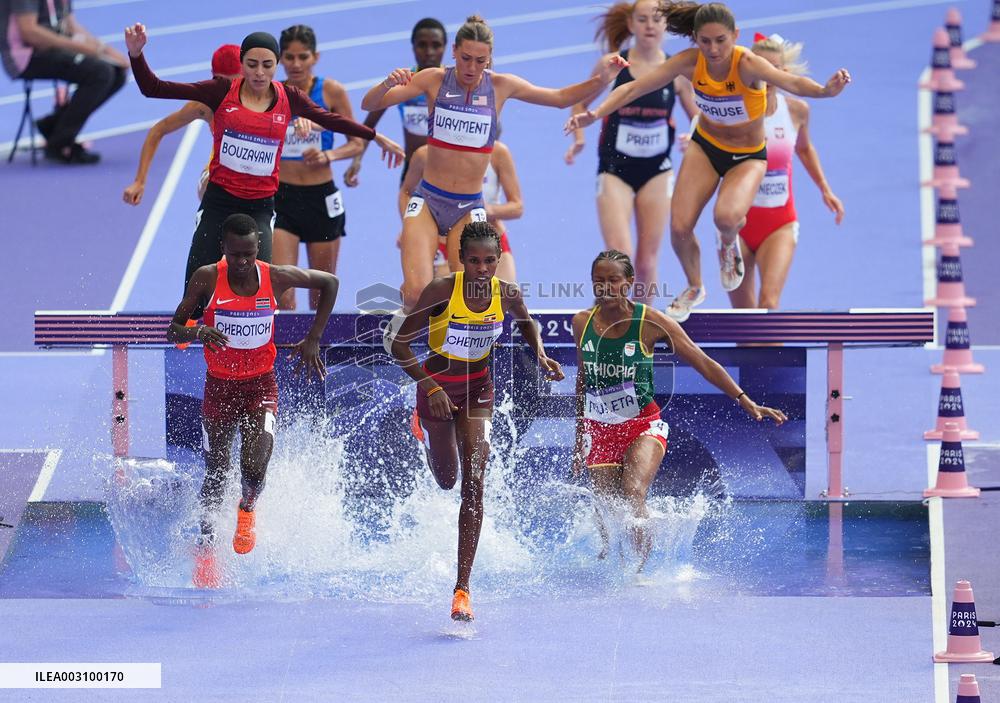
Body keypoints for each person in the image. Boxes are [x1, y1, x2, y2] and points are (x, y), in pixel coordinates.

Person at [566, 1, 850, 322]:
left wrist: (826, 91)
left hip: (747, 155)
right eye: (705, 41)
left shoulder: (749, 64)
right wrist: (595, 113)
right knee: (679, 227)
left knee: (726, 219)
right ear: (695, 39)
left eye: (721, 41)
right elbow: (634, 86)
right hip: (706, 147)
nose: (713, 49)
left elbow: (794, 84)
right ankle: (694, 286)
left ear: (735, 36)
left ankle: (729, 246)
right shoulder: (689, 63)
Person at [124, 23, 403, 315]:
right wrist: (136, 54)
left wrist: (376, 136)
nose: (259, 72)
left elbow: (333, 120)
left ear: (276, 65)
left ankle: (254, 353)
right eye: (252, 64)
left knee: (261, 293)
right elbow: (153, 88)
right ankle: (192, 344)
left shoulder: (290, 97)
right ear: (242, 64)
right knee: (195, 289)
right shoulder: (220, 91)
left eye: (267, 65)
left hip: (260, 207)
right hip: (218, 200)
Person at [362, 14, 628, 312]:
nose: (472, 68)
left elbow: (560, 98)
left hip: (468, 207)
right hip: (427, 201)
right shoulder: (433, 79)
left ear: (489, 59)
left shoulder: (501, 86)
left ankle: (456, 356)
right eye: (465, 58)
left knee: (467, 297)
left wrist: (602, 79)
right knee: (415, 295)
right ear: (453, 51)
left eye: (480, 61)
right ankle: (403, 319)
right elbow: (369, 104)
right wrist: (387, 82)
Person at [389, 221, 564, 621]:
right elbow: (400, 345)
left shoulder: (508, 293)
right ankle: (427, 431)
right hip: (435, 389)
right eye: (474, 261)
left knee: (474, 482)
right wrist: (430, 389)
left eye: (490, 261)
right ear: (461, 260)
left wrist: (538, 353)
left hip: (478, 391)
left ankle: (462, 589)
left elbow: (525, 322)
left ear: (499, 260)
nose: (482, 268)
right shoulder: (441, 291)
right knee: (446, 478)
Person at [572, 250, 786, 565]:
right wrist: (580, 434)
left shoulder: (650, 323)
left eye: (614, 280)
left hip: (642, 426)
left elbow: (700, 360)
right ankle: (610, 565)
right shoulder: (582, 323)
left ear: (629, 283)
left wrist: (744, 399)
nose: (606, 288)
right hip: (599, 429)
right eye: (599, 281)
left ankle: (639, 574)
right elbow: (583, 379)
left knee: (632, 494)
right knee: (608, 510)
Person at [166, 213, 338, 588]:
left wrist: (314, 338)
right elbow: (173, 329)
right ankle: (207, 549)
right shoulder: (208, 278)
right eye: (235, 255)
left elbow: (330, 283)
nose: (242, 262)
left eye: (248, 254)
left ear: (257, 248)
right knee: (216, 471)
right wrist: (198, 331)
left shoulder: (273, 277)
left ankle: (247, 509)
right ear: (223, 250)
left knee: (255, 469)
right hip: (219, 388)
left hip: (261, 387)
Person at [565, 0, 697, 304]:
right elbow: (579, 102)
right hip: (615, 170)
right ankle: (612, 327)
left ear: (666, 26)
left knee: (648, 261)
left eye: (656, 19)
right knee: (618, 259)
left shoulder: (678, 71)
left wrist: (694, 136)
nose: (650, 25)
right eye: (643, 19)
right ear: (631, 25)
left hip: (657, 172)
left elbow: (699, 117)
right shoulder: (614, 65)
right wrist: (579, 138)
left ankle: (640, 334)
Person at [728, 33, 845, 310]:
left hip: (779, 222)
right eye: (760, 68)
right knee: (744, 318)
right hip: (736, 226)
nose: (766, 77)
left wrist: (825, 189)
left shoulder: (796, 111)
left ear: (784, 74)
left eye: (774, 70)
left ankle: (775, 355)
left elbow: (804, 149)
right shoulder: (732, 112)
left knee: (769, 305)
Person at [273, 25, 364, 309]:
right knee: (282, 294)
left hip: (321, 199)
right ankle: (282, 354)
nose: (296, 64)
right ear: (280, 59)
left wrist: (328, 156)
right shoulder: (272, 94)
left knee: (319, 296)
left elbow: (356, 144)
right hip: (281, 198)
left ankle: (314, 353)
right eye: (289, 57)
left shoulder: (331, 91)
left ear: (315, 57)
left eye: (303, 57)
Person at [2, 0, 127, 163]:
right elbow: (29, 31)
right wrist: (79, 47)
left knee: (117, 73)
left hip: (52, 48)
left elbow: (70, 26)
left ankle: (54, 126)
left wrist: (105, 50)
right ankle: (60, 143)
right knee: (100, 73)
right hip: (25, 56)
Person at [122, 45, 241, 206]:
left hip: (256, 175)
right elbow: (158, 130)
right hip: (216, 178)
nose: (227, 92)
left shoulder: (268, 101)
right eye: (222, 84)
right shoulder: (204, 107)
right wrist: (139, 181)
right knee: (220, 189)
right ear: (213, 78)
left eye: (236, 84)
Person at [401, 138, 522, 282]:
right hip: (439, 240)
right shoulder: (426, 154)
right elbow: (406, 192)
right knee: (443, 298)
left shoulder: (498, 153)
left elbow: (517, 206)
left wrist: (483, 210)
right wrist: (410, 227)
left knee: (505, 297)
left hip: (488, 238)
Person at [344, 17, 447, 188]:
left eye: (436, 45)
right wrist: (356, 161)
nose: (429, 51)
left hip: (452, 173)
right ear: (413, 47)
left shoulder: (456, 83)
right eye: (422, 45)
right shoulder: (403, 83)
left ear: (446, 47)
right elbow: (368, 125)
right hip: (414, 173)